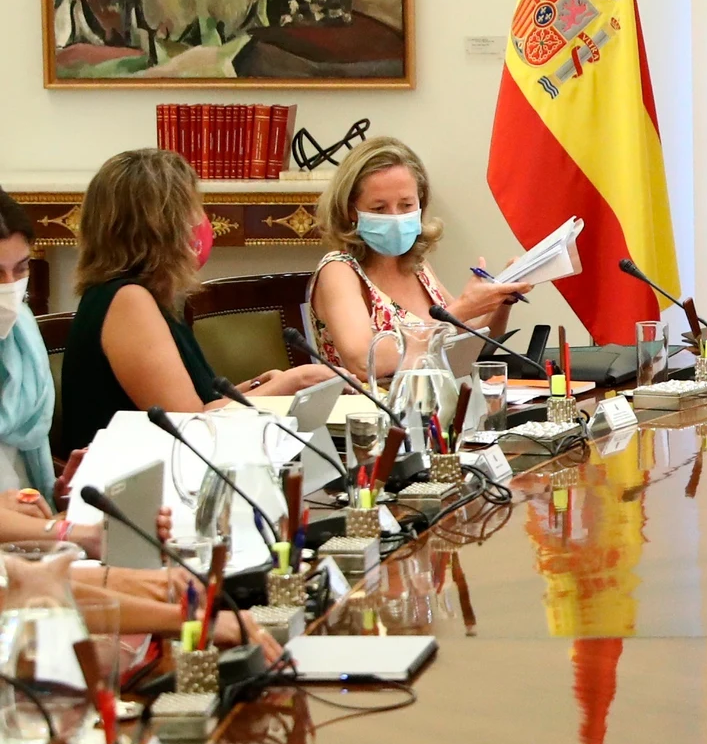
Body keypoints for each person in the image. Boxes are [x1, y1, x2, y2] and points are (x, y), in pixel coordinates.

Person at [60, 150, 333, 454]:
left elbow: (201, 402)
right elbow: (191, 428)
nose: (203, 221)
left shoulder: (145, 296)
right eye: (194, 207)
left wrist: (258, 386)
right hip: (134, 487)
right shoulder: (128, 301)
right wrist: (293, 382)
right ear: (161, 226)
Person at [309, 137, 530, 380]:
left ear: (420, 205)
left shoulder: (417, 266)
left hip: (434, 407)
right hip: (369, 412)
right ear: (351, 210)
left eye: (405, 205)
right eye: (379, 209)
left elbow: (471, 345)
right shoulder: (339, 270)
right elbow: (364, 361)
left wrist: (501, 300)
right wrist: (463, 309)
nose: (394, 217)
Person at [0, 192, 55, 497]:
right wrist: (63, 531)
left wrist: (62, 488)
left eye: (21, 268)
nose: (10, 286)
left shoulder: (23, 330)